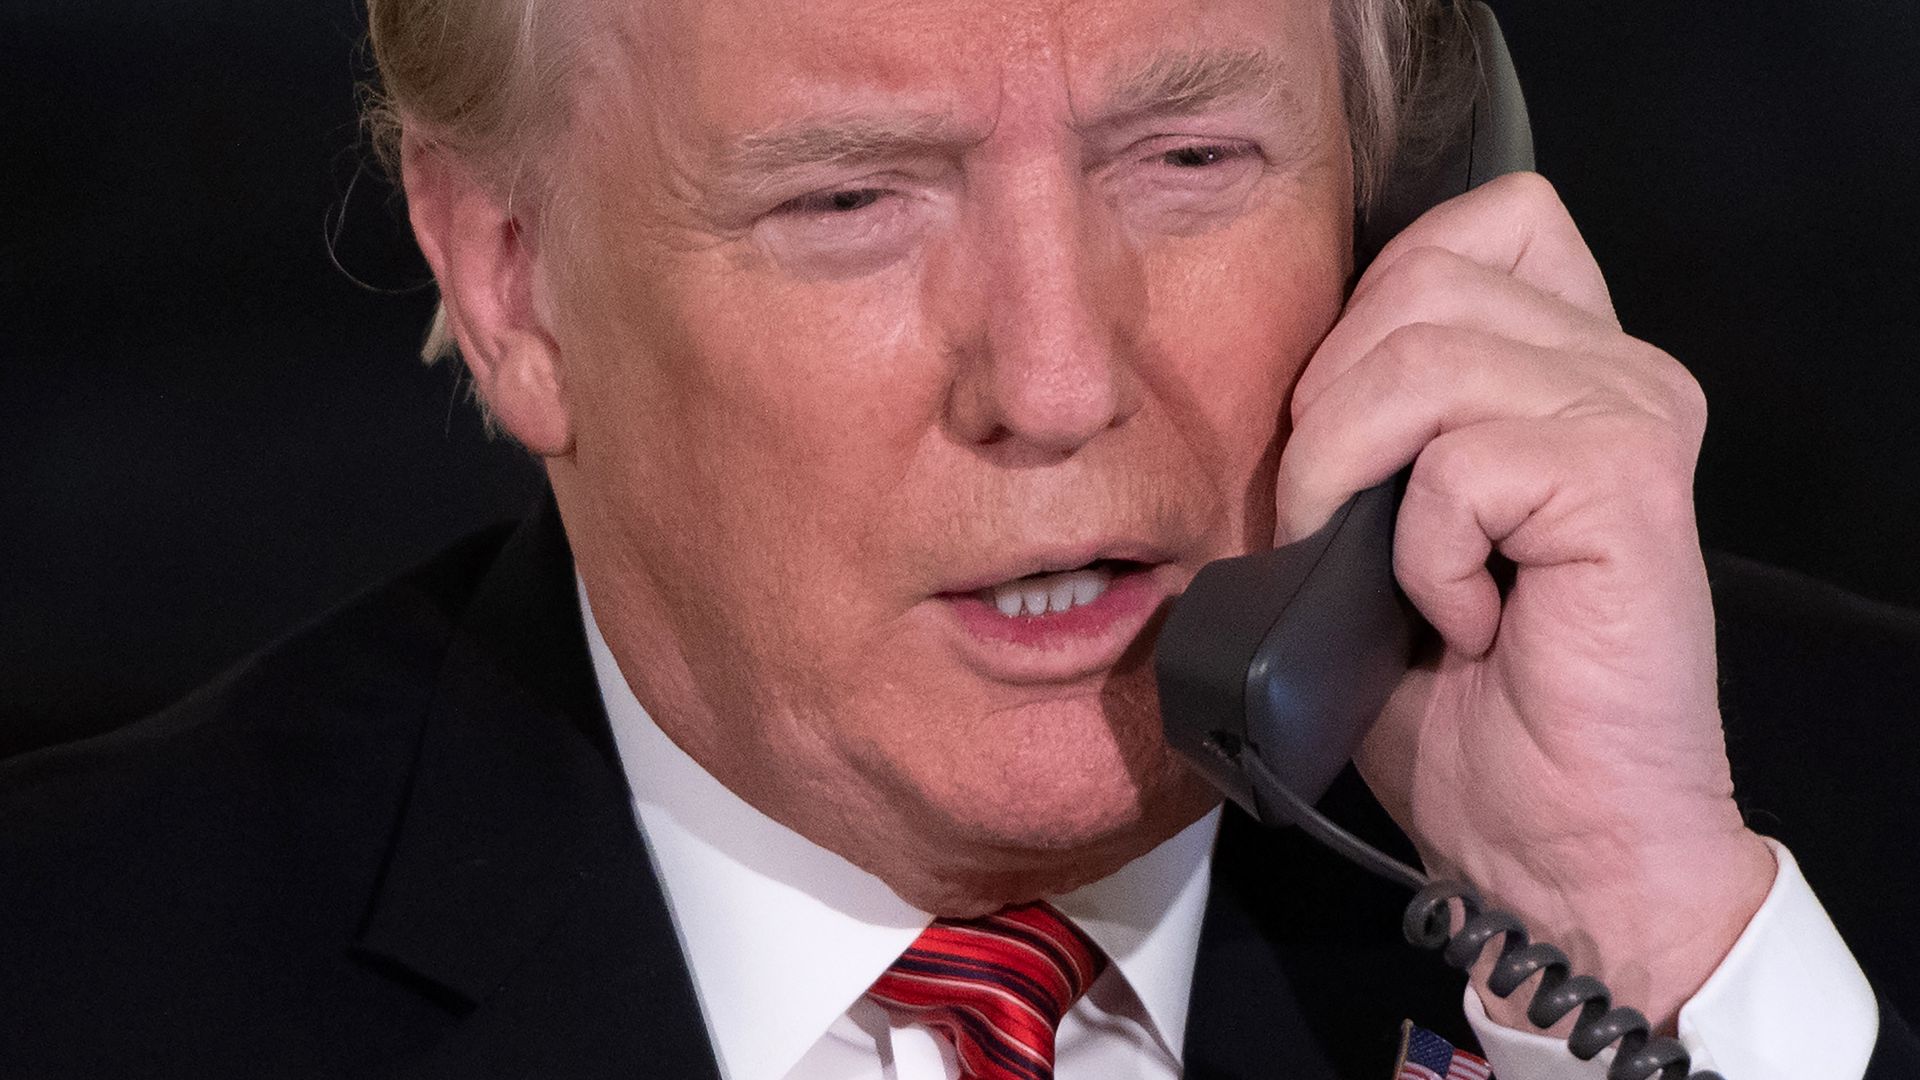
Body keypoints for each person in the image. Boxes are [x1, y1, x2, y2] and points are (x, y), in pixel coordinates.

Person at [0, 0, 1913, 1077]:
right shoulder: (72, 975)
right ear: (510, 283)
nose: (1059, 381)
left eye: (1189, 160)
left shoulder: (1819, 848)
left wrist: (1630, 951)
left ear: (1407, 204)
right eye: (852, 199)